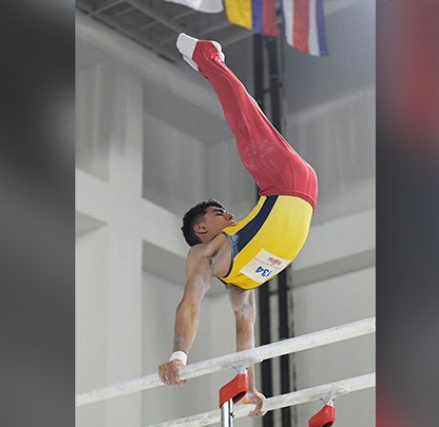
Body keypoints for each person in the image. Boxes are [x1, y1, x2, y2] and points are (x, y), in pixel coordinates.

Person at [158, 34, 318, 418]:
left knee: (246, 121)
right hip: (294, 191)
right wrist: (243, 380)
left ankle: (209, 59)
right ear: (201, 231)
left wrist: (181, 357)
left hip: (287, 192)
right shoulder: (211, 260)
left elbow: (197, 303)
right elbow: (226, 321)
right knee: (245, 121)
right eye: (218, 213)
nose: (229, 215)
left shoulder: (225, 263)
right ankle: (207, 56)